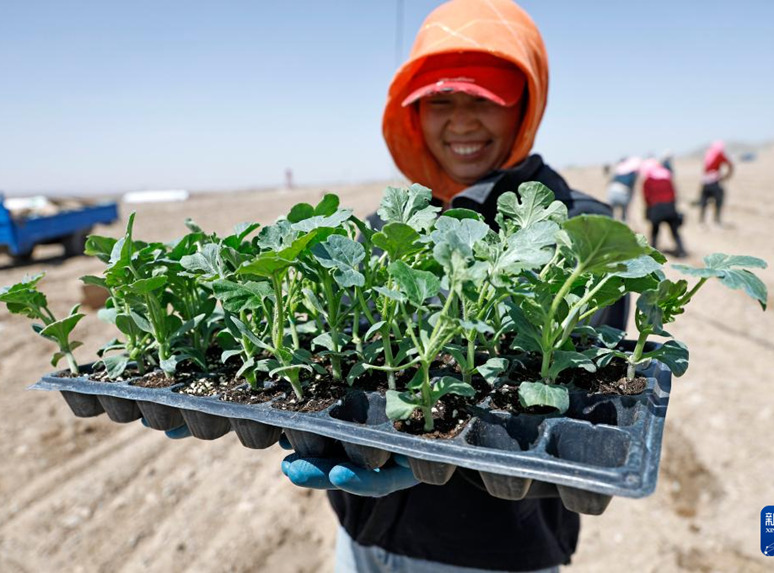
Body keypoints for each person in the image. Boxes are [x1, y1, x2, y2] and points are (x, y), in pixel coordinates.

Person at [165, 1, 622, 571]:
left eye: (484, 99)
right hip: (365, 536)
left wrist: (457, 454)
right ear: (413, 112)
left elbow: (574, 412)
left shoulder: (582, 231)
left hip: (491, 550)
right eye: (440, 100)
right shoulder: (389, 226)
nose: (460, 121)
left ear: (525, 104)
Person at [640, 158, 687, 258]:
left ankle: (651, 253)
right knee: (675, 232)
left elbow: (646, 197)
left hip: (656, 208)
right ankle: (682, 251)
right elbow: (674, 194)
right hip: (670, 207)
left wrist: (649, 211)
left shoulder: (648, 180)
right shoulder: (667, 178)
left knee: (654, 232)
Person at [699, 140, 734, 225]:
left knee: (704, 202)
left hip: (705, 181)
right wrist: (727, 176)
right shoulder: (718, 154)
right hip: (714, 181)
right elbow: (730, 164)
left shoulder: (708, 153)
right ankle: (716, 220)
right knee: (718, 201)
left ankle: (702, 221)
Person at [606, 156, 641, 222]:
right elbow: (632, 187)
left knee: (611, 214)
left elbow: (611, 181)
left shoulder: (619, 170)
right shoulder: (632, 173)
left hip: (612, 192)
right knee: (624, 215)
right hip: (624, 193)